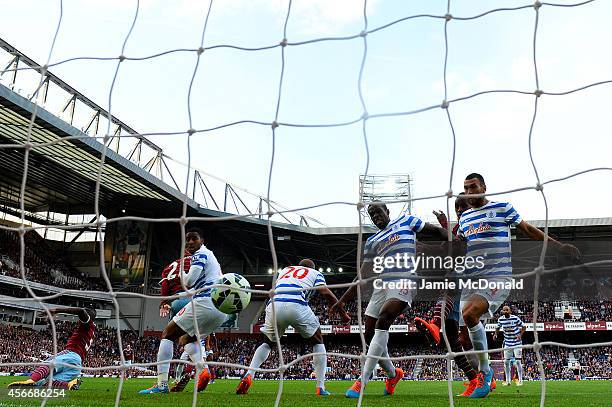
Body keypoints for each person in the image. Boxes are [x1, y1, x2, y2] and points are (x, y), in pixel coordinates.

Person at [458, 172, 580, 398]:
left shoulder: (503, 207)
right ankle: (479, 377)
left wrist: (558, 246)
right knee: (463, 336)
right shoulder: (464, 218)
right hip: (471, 278)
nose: (469, 192)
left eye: (472, 187)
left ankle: (486, 375)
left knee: (470, 314)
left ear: (484, 186)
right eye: (465, 189)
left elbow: (527, 229)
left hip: (497, 275)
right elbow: (461, 247)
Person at [332, 202, 449, 398]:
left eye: (378, 212)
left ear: (387, 211)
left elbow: (436, 231)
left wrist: (455, 240)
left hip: (405, 278)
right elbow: (363, 276)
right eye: (371, 214)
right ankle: (393, 374)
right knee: (369, 333)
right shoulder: (372, 241)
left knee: (384, 319)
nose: (375, 216)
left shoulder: (406, 221)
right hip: (381, 284)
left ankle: (363, 380)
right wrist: (342, 300)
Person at [236, 259, 350, 396]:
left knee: (267, 342)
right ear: (312, 268)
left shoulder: (286, 270)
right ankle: (320, 387)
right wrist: (342, 313)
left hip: (273, 305)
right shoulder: (315, 273)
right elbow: (325, 292)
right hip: (296, 304)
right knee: (318, 340)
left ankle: (249, 374)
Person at [139, 228, 226, 395]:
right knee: (186, 339)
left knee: (167, 334)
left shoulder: (200, 254)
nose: (190, 242)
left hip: (204, 302)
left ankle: (162, 384)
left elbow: (189, 282)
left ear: (202, 240)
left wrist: (182, 273)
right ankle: (204, 370)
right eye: (188, 240)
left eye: (194, 238)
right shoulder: (212, 257)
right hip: (220, 309)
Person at [8, 307, 96, 390]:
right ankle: (70, 384)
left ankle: (30, 381)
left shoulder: (87, 324)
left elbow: (81, 311)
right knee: (45, 383)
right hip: (77, 366)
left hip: (71, 354)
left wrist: (56, 310)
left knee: (48, 364)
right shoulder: (91, 330)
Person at [493, 305, 526, 386]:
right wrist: (495, 334)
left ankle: (520, 380)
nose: (506, 311)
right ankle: (507, 381)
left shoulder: (515, 318)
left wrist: (520, 335)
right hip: (507, 343)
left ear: (510, 311)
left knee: (518, 361)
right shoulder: (501, 319)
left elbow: (524, 326)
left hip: (517, 343)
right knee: (506, 362)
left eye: (507, 310)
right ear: (502, 312)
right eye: (504, 310)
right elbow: (497, 327)